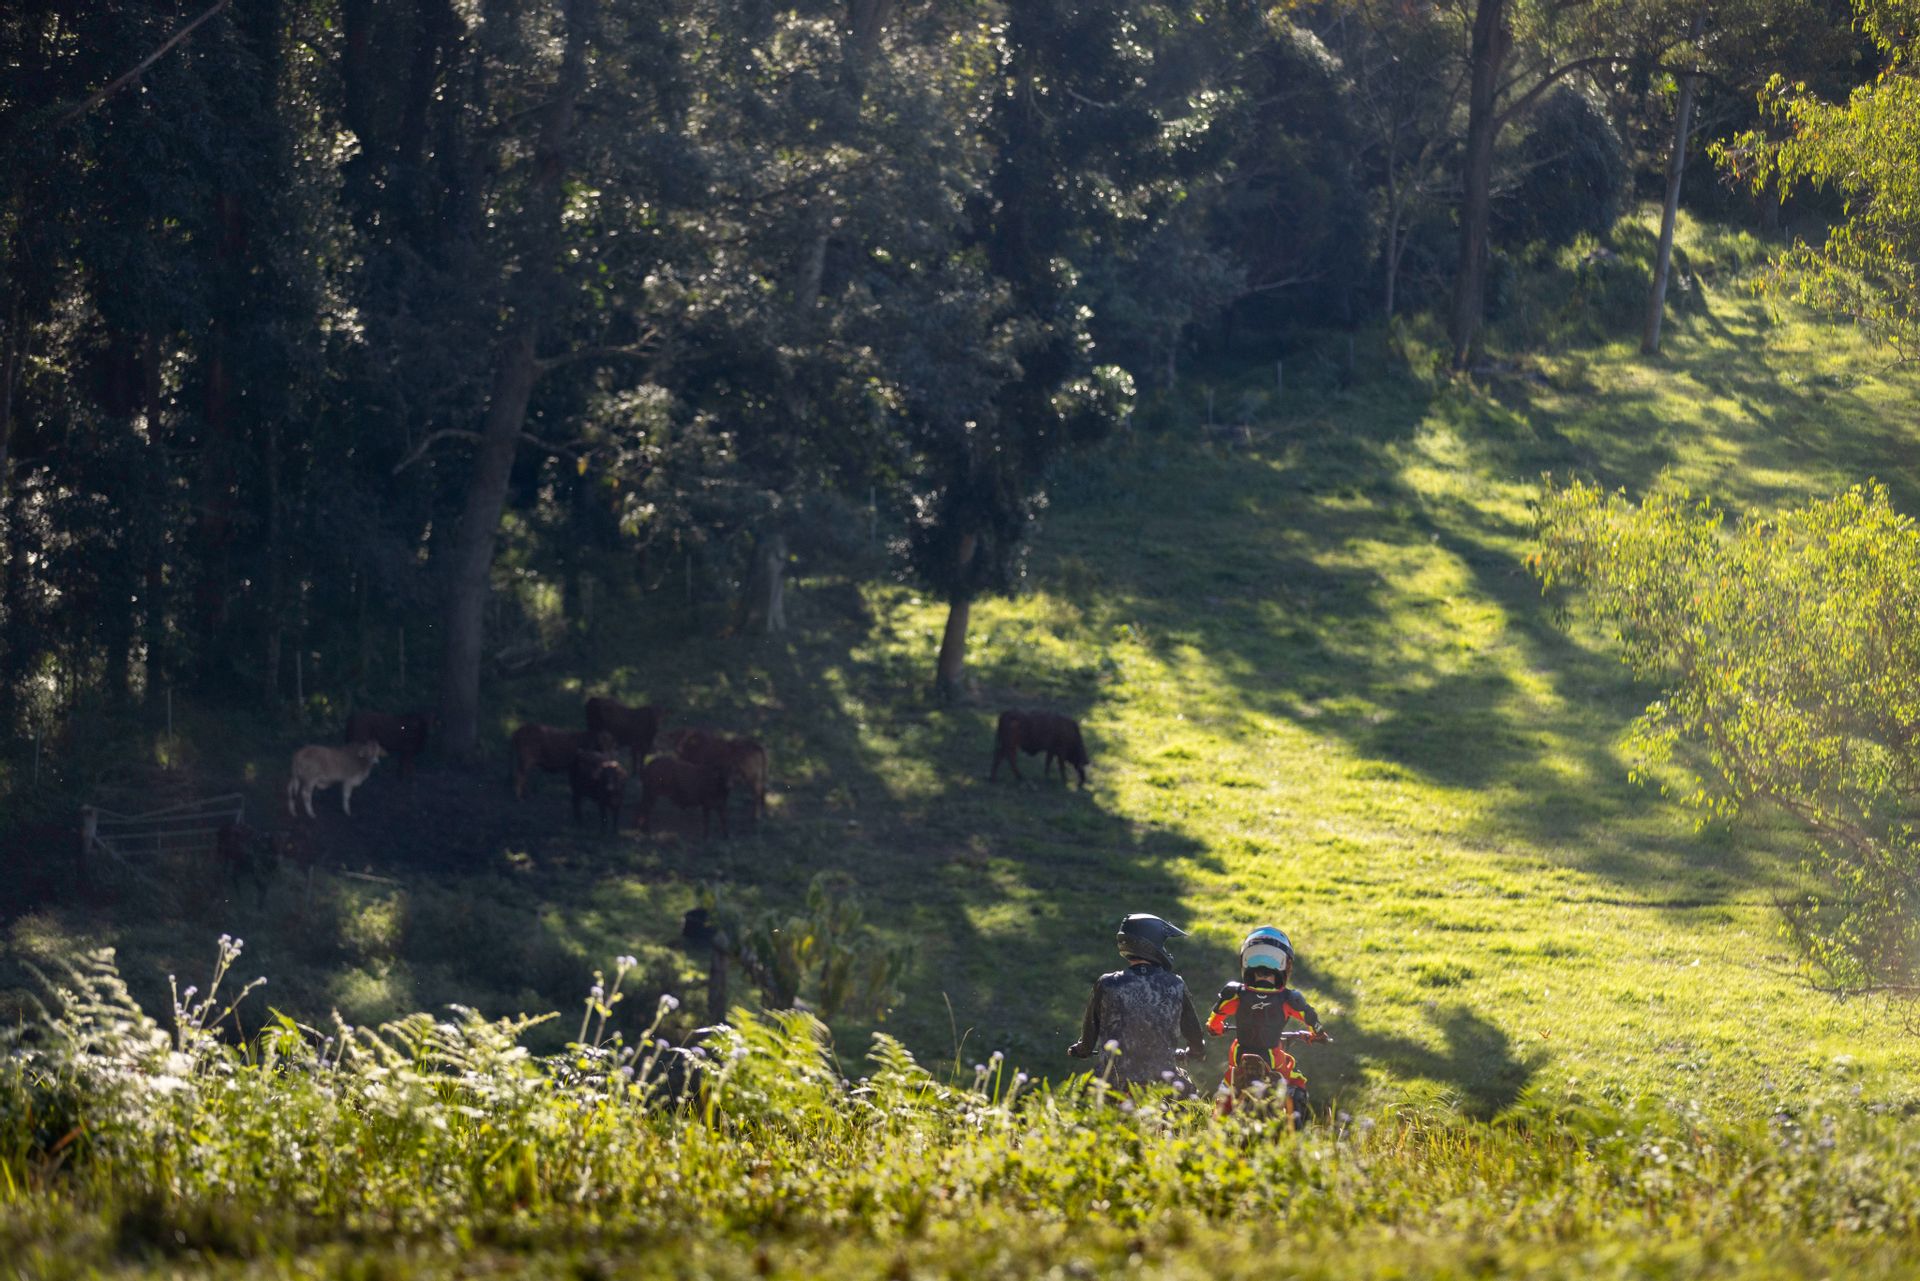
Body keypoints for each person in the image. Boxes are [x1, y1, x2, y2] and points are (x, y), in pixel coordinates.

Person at [1067, 913, 1208, 1089]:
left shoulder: (1107, 983)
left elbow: (1089, 1033)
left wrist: (1082, 1050)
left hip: (1112, 1083)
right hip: (1161, 1083)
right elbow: (1194, 1033)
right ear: (1152, 943)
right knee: (1191, 1101)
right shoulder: (1176, 984)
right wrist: (1196, 1052)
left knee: (1079, 1099)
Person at [1206, 925, 1330, 1124]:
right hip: (1272, 1058)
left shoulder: (1236, 994)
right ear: (1286, 965)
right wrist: (1317, 1034)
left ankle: (1217, 1126)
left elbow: (1215, 1018)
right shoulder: (1288, 999)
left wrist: (1216, 1029)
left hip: (1239, 1054)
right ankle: (1294, 1127)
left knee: (1228, 1084)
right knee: (1297, 1080)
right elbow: (1310, 1018)